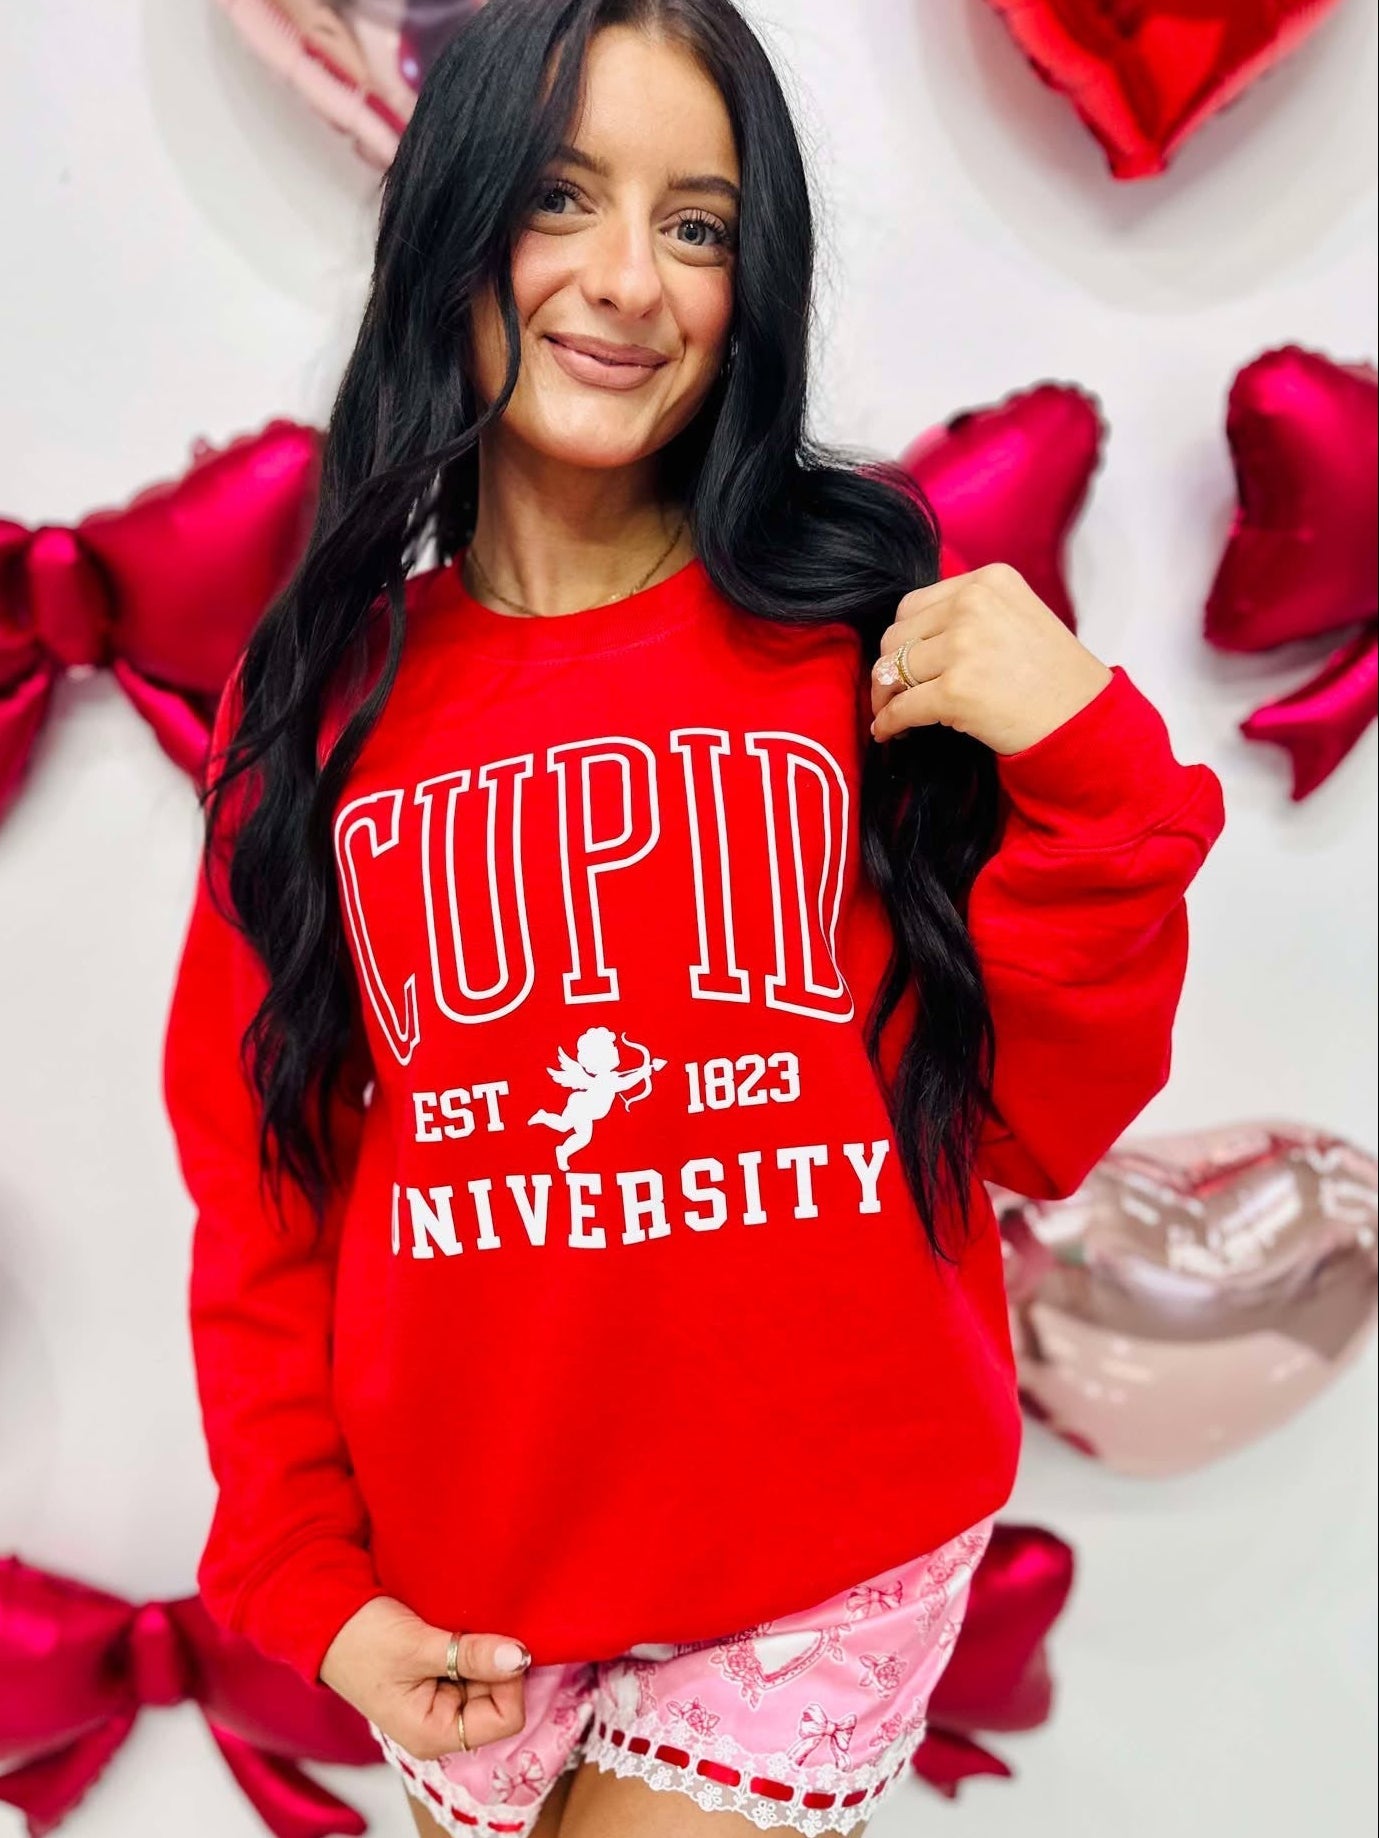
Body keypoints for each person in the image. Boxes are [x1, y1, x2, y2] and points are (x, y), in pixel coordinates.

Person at [160, 2, 1227, 1833]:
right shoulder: (323, 708)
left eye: (700, 223)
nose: (628, 280)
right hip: (473, 1574)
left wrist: (1098, 773)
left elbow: (1036, 1114)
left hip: (824, 1537)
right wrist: (305, 1580)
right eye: (563, 198)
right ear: (458, 224)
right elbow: (265, 1189)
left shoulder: (854, 631)